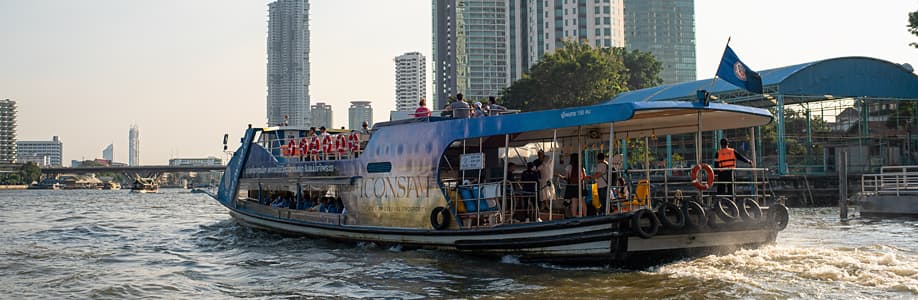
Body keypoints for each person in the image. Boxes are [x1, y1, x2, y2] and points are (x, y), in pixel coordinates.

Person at [560, 153, 585, 218]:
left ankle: (573, 216)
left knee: (573, 201)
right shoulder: (581, 166)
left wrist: (560, 176)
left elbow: (567, 177)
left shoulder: (568, 167)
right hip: (580, 185)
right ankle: (585, 216)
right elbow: (583, 176)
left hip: (572, 186)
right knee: (582, 201)